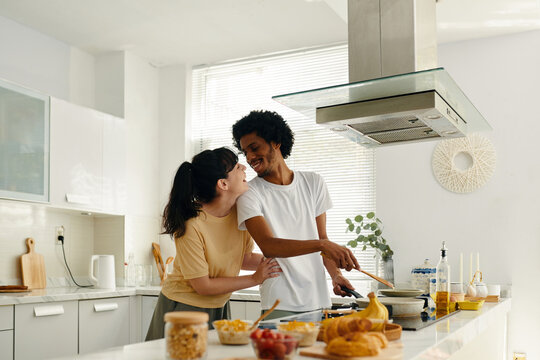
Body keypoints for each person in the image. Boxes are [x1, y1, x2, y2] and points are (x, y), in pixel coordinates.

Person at [232, 110, 360, 319]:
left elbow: (322, 239)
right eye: (245, 152)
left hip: (318, 300)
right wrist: (322, 245)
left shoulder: (313, 183)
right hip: (279, 302)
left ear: (276, 142)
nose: (250, 157)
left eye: (254, 148)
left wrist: (335, 276)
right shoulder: (250, 193)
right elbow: (268, 245)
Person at [146, 147, 281, 340]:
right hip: (184, 308)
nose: (243, 166)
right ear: (223, 183)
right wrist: (255, 279)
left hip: (219, 305)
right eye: (236, 167)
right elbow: (203, 286)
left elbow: (244, 258)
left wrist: (283, 262)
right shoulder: (191, 225)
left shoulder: (240, 213)